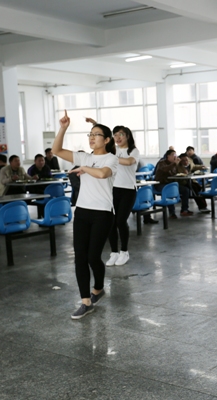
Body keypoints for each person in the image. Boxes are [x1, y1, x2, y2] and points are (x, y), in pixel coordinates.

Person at [52, 111, 118, 320]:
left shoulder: (111, 158)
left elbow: (102, 173)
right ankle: (85, 301)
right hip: (82, 211)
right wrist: (63, 128)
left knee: (92, 257)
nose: (92, 137)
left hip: (103, 213)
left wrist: (84, 168)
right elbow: (56, 150)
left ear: (106, 140)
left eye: (96, 134)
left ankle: (98, 287)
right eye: (90, 134)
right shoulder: (85, 157)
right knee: (80, 257)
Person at [105, 126, 139, 267]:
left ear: (127, 136)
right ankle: (114, 252)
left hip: (128, 190)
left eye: (121, 135)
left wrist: (112, 158)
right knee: (111, 222)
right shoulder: (113, 150)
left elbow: (129, 161)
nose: (118, 138)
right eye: (115, 135)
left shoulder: (133, 151)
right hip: (113, 189)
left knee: (120, 221)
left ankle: (124, 251)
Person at [154, 149, 193, 218]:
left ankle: (184, 210)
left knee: (185, 190)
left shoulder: (174, 164)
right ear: (168, 156)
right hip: (160, 184)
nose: (175, 156)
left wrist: (183, 172)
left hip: (171, 184)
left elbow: (175, 173)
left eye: (175, 155)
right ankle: (172, 213)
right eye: (173, 155)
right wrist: (174, 163)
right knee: (170, 191)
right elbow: (165, 169)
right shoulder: (161, 163)